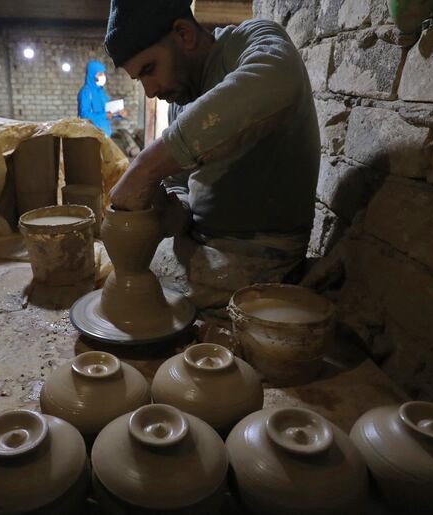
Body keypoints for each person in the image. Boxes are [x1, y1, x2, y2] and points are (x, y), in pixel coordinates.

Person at [104, 0, 320, 310]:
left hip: (264, 253)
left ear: (184, 34)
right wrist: (172, 211)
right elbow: (180, 182)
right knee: (133, 272)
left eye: (149, 69)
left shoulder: (253, 39)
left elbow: (278, 78)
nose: (150, 90)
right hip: (201, 244)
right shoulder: (180, 101)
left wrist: (144, 167)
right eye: (140, 79)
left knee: (156, 301)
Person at [78, 60, 126, 137]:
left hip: (105, 133)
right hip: (92, 135)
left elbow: (106, 112)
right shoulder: (85, 92)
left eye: (103, 73)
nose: (103, 76)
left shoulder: (101, 92)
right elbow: (84, 116)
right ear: (92, 75)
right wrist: (104, 115)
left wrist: (118, 114)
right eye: (100, 74)